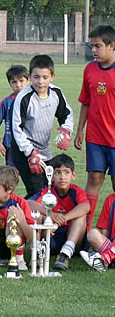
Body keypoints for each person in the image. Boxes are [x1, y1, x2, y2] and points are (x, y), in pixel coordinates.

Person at [11, 54, 73, 198]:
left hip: (45, 150)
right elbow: (17, 128)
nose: (40, 82)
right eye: (36, 77)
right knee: (37, 191)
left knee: (48, 189)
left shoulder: (56, 93)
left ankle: (40, 217)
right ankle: (21, 215)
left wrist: (66, 131)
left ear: (52, 76)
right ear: (30, 76)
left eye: (45, 77)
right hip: (24, 151)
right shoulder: (24, 98)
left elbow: (66, 114)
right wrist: (30, 152)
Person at [74, 25, 115, 232]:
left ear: (112, 45)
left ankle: (112, 233)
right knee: (94, 178)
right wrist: (80, 130)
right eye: (92, 47)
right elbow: (86, 102)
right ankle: (84, 232)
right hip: (95, 138)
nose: (94, 51)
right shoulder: (89, 69)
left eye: (98, 46)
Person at [27, 154, 90, 271]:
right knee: (38, 214)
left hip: (72, 238)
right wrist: (50, 215)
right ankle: (36, 252)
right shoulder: (47, 192)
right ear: (51, 176)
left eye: (66, 172)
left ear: (73, 175)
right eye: (58, 172)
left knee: (81, 216)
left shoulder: (76, 192)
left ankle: (65, 254)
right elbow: (28, 203)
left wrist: (64, 218)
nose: (62, 177)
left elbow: (86, 206)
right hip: (50, 237)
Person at [0, 65, 29, 166]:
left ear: (28, 81)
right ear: (10, 84)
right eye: (14, 82)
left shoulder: (34, 100)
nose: (18, 85)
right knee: (11, 176)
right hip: (11, 147)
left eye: (21, 81)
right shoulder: (7, 102)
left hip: (31, 145)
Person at [80, 193, 115, 272]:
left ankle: (104, 259)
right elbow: (104, 231)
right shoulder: (111, 199)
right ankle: (105, 259)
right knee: (92, 234)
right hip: (111, 245)